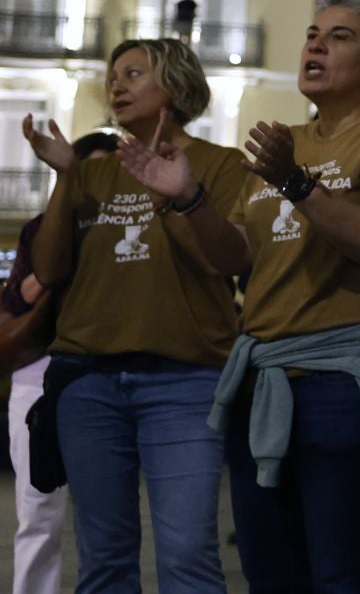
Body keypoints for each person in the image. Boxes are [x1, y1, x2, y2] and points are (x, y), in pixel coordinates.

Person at [172, 0, 360, 594]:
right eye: (312, 35)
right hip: (263, 381)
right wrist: (187, 198)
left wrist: (293, 180)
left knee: (342, 572)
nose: (315, 45)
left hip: (343, 382)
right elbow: (233, 258)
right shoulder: (277, 141)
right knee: (269, 573)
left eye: (338, 37)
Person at [21, 41, 250, 594]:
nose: (116, 86)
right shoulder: (91, 175)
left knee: (188, 558)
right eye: (113, 76)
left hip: (186, 383)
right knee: (103, 562)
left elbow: (230, 260)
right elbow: (50, 271)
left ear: (173, 85)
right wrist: (63, 178)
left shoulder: (220, 165)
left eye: (133, 73)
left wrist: (184, 195)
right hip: (88, 383)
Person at [2, 129, 105, 594]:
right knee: (38, 508)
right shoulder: (40, 226)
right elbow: (20, 296)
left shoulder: (133, 228)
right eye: (89, 170)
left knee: (105, 513)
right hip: (40, 371)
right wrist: (59, 255)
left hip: (103, 370)